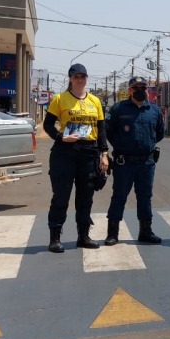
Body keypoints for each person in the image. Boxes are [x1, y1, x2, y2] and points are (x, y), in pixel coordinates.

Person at [43, 63, 109, 253]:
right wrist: (61, 137)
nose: (80, 80)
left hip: (89, 153)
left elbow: (101, 128)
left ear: (86, 78)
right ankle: (55, 238)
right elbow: (48, 125)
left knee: (85, 197)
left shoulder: (95, 101)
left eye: (83, 76)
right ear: (70, 78)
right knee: (61, 196)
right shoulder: (59, 99)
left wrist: (104, 154)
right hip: (65, 153)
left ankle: (83, 236)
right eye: (76, 76)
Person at [104, 76, 166, 246]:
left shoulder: (154, 110)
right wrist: (121, 145)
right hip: (124, 162)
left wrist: (147, 145)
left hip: (147, 163)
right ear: (130, 90)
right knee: (119, 196)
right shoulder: (119, 109)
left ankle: (146, 231)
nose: (140, 90)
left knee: (145, 197)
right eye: (136, 87)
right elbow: (108, 131)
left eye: (143, 87)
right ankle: (112, 232)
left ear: (147, 89)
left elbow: (159, 133)